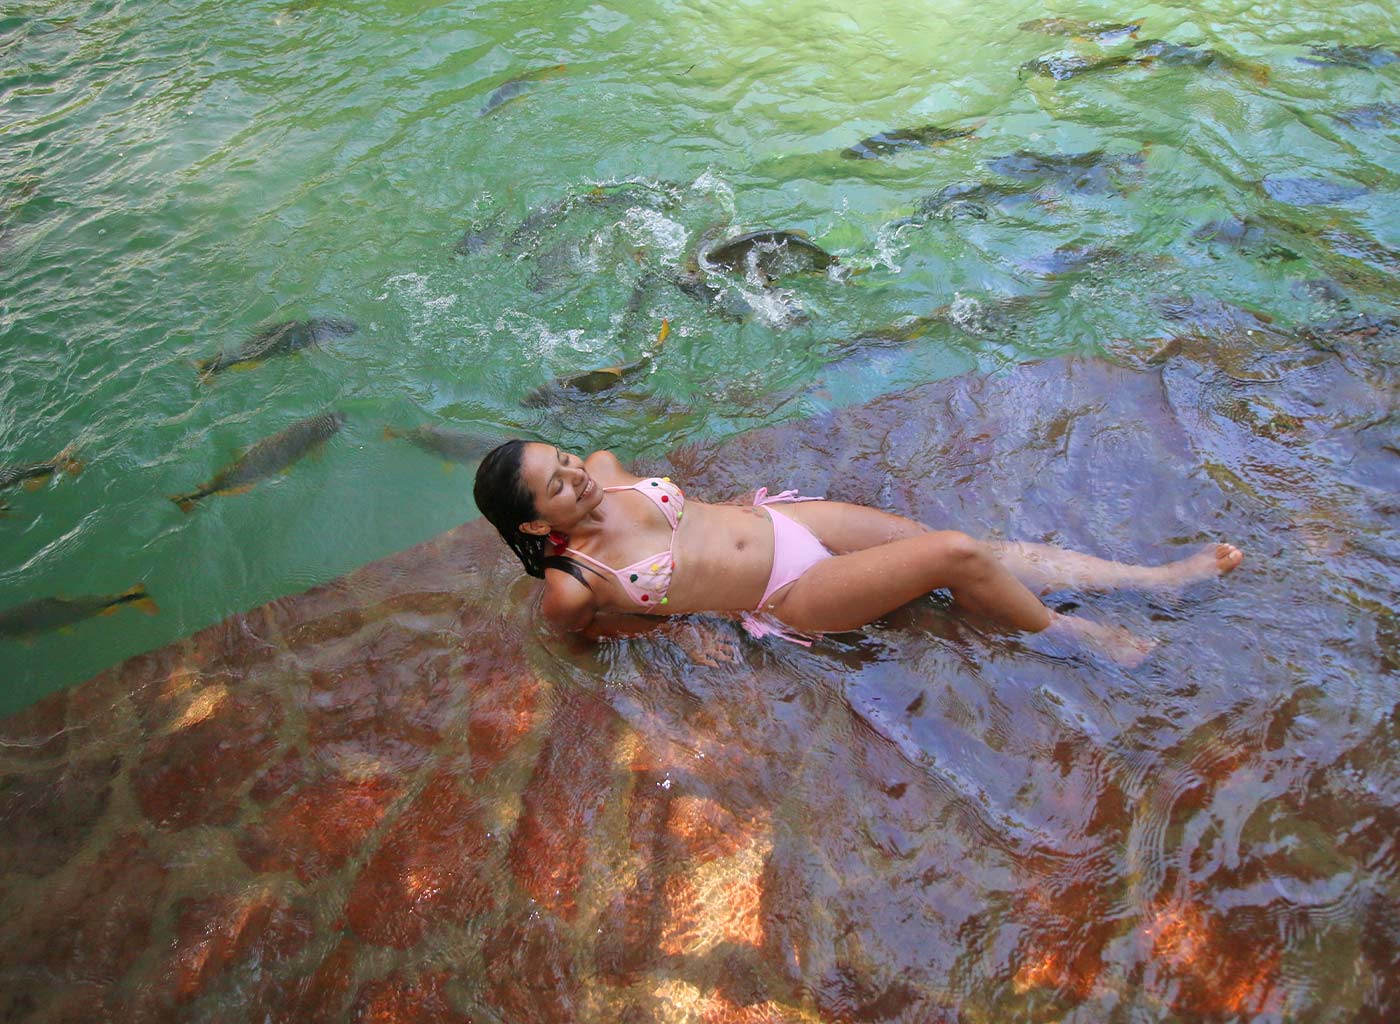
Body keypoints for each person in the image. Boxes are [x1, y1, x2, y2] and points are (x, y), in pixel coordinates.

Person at [472, 439, 1243, 665]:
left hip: (791, 519)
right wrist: (675, 629)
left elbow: (658, 502)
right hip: (788, 591)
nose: (578, 476)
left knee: (978, 549)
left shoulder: (606, 468)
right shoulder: (574, 582)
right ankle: (1077, 635)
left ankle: (1153, 580)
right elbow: (586, 631)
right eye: (558, 486)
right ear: (536, 527)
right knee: (953, 555)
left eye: (564, 460)